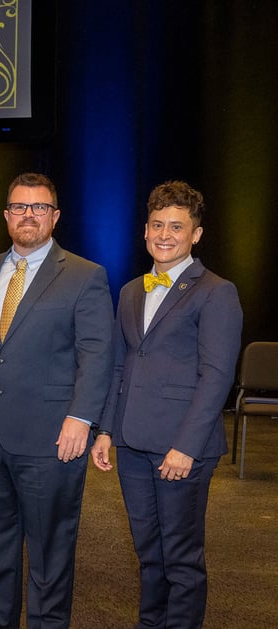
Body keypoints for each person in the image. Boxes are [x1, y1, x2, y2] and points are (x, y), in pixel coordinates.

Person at [0, 173, 114, 629]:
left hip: (53, 437)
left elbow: (97, 354)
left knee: (49, 547)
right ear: (6, 216)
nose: (28, 215)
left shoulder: (85, 275)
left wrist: (82, 419)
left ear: (55, 217)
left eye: (39, 208)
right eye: (19, 207)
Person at [90, 181, 242, 629]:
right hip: (133, 444)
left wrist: (186, 447)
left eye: (176, 226)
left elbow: (217, 377)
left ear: (196, 235)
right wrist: (106, 431)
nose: (165, 234)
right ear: (145, 230)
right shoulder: (132, 290)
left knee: (181, 557)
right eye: (157, 225)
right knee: (148, 554)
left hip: (181, 449)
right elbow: (119, 367)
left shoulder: (217, 291)